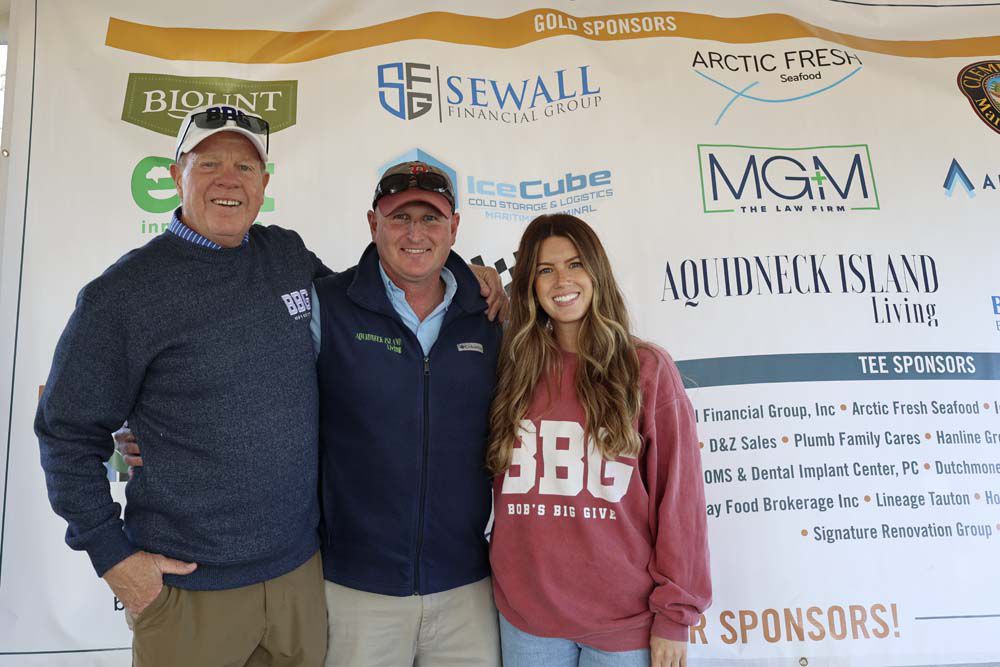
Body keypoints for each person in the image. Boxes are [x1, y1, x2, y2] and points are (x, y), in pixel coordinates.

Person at [36, 105, 329, 665]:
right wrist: (113, 558)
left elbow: (366, 313)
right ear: (176, 175)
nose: (229, 180)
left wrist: (461, 277)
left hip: (298, 576)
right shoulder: (124, 293)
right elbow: (66, 432)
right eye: (209, 163)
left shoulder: (287, 255)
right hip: (189, 589)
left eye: (245, 167)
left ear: (264, 184)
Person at [486, 214, 711, 667]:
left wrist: (675, 617)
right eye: (546, 269)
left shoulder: (645, 369)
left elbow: (679, 499)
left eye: (575, 264)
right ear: (529, 284)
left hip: (624, 622)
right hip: (528, 619)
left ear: (597, 272)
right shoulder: (512, 368)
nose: (562, 281)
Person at [310, 161, 502, 667]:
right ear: (373, 223)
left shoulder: (490, 316)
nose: (415, 234)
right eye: (400, 218)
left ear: (453, 227)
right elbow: (262, 394)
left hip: (466, 587)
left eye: (430, 218)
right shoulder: (326, 305)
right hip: (356, 590)